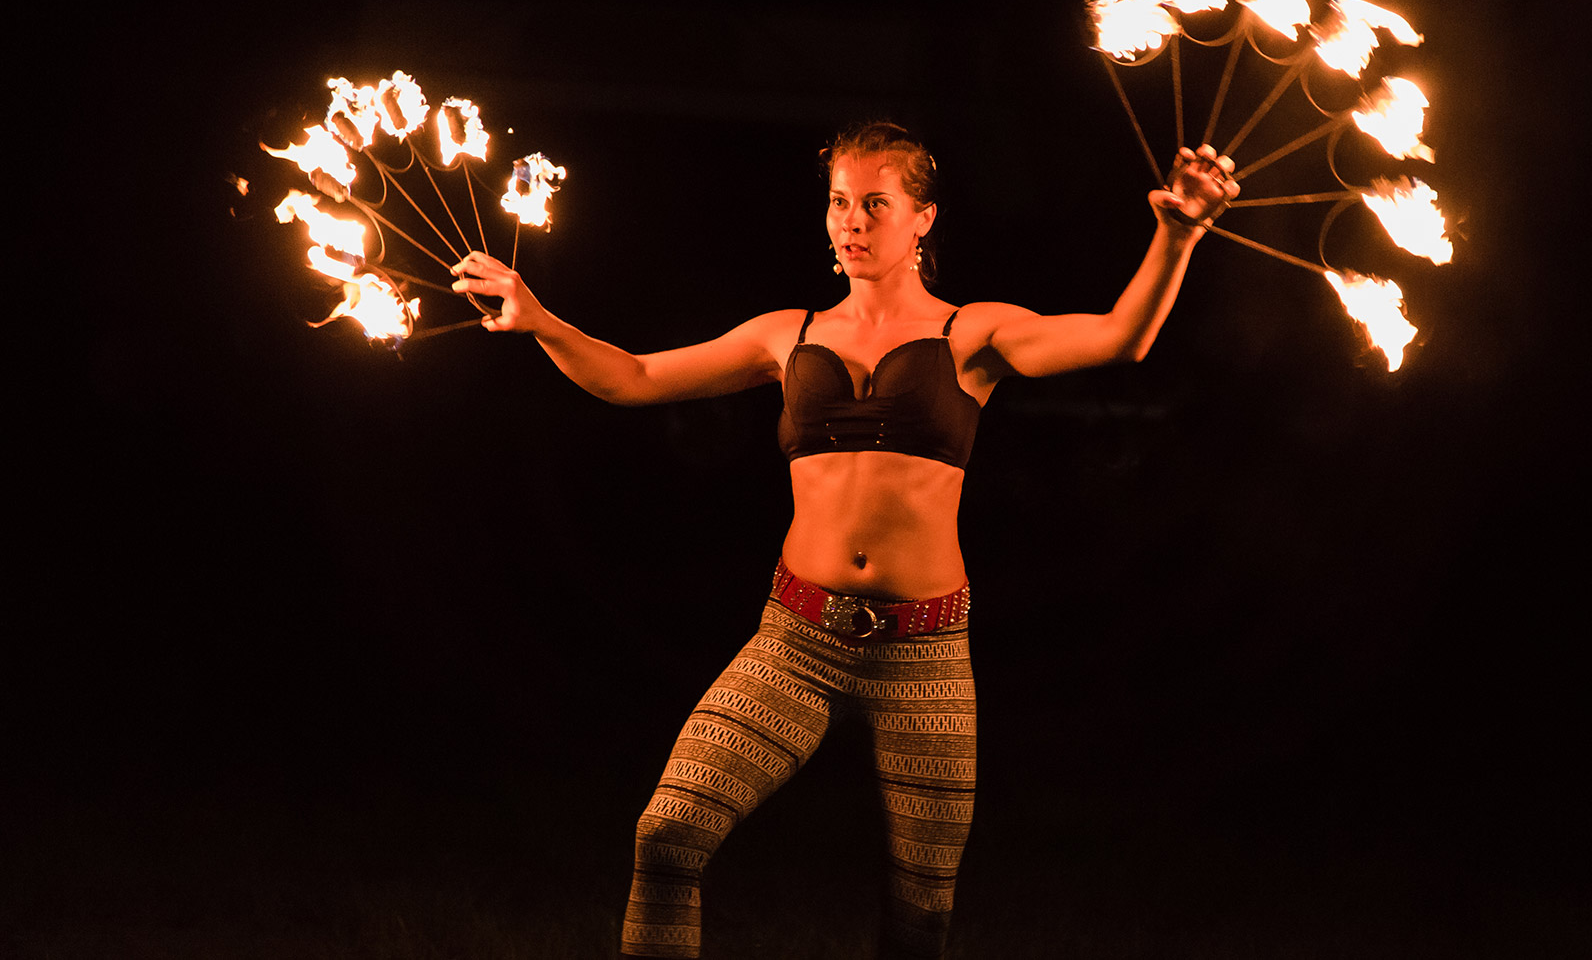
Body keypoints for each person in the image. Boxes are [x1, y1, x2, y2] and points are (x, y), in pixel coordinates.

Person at [450, 123, 1237, 958]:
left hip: (925, 655)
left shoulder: (974, 334)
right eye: (838, 203)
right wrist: (538, 319)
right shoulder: (783, 335)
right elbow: (634, 376)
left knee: (920, 916)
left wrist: (1178, 232)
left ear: (922, 219)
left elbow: (1123, 334)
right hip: (796, 639)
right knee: (666, 836)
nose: (851, 221)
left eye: (874, 203)